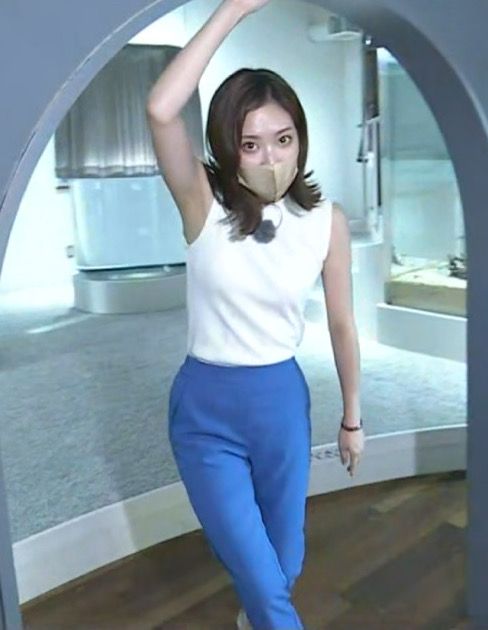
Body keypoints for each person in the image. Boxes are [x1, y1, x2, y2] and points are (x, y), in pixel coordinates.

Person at [146, 0, 365, 627]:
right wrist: (234, 10)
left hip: (280, 404)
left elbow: (342, 324)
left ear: (300, 139)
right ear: (227, 147)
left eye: (283, 139)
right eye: (250, 144)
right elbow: (161, 109)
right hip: (206, 409)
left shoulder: (326, 222)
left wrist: (352, 419)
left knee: (284, 561)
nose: (270, 159)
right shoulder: (201, 201)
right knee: (263, 581)